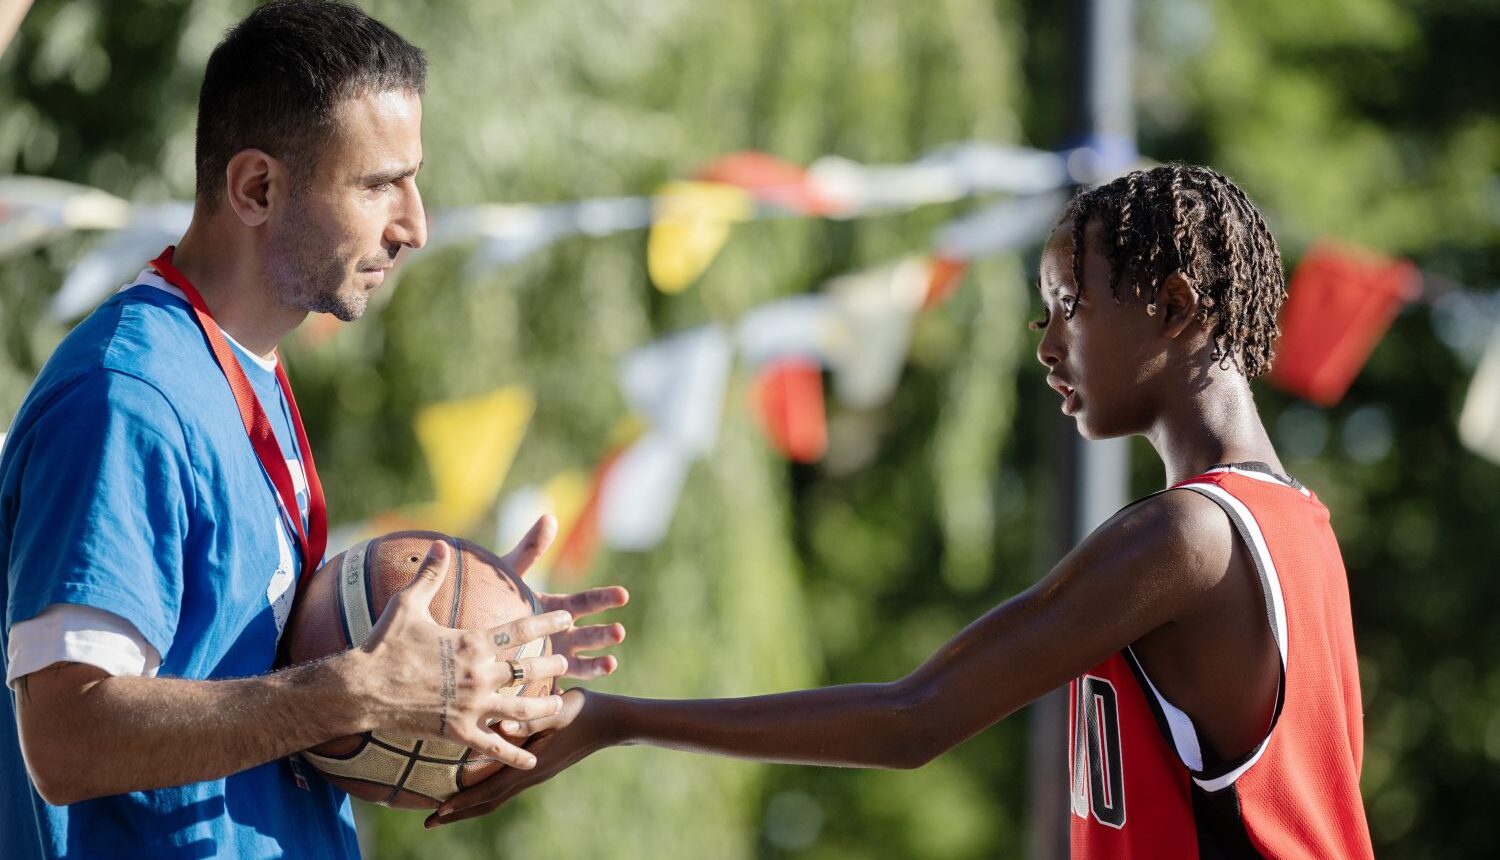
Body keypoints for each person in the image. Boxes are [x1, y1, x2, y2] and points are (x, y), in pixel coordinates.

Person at [430, 164, 1374, 858]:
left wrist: (612, 718)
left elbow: (913, 718)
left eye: (1069, 304)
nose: (1047, 344)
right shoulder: (1297, 528)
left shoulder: (1188, 536)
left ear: (1172, 306)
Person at [0, 3, 626, 858]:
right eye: (379, 185)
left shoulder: (242, 369)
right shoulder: (129, 396)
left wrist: (466, 634)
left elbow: (237, 658)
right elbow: (67, 738)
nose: (415, 226)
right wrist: (355, 693)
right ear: (257, 188)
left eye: (413, 181)